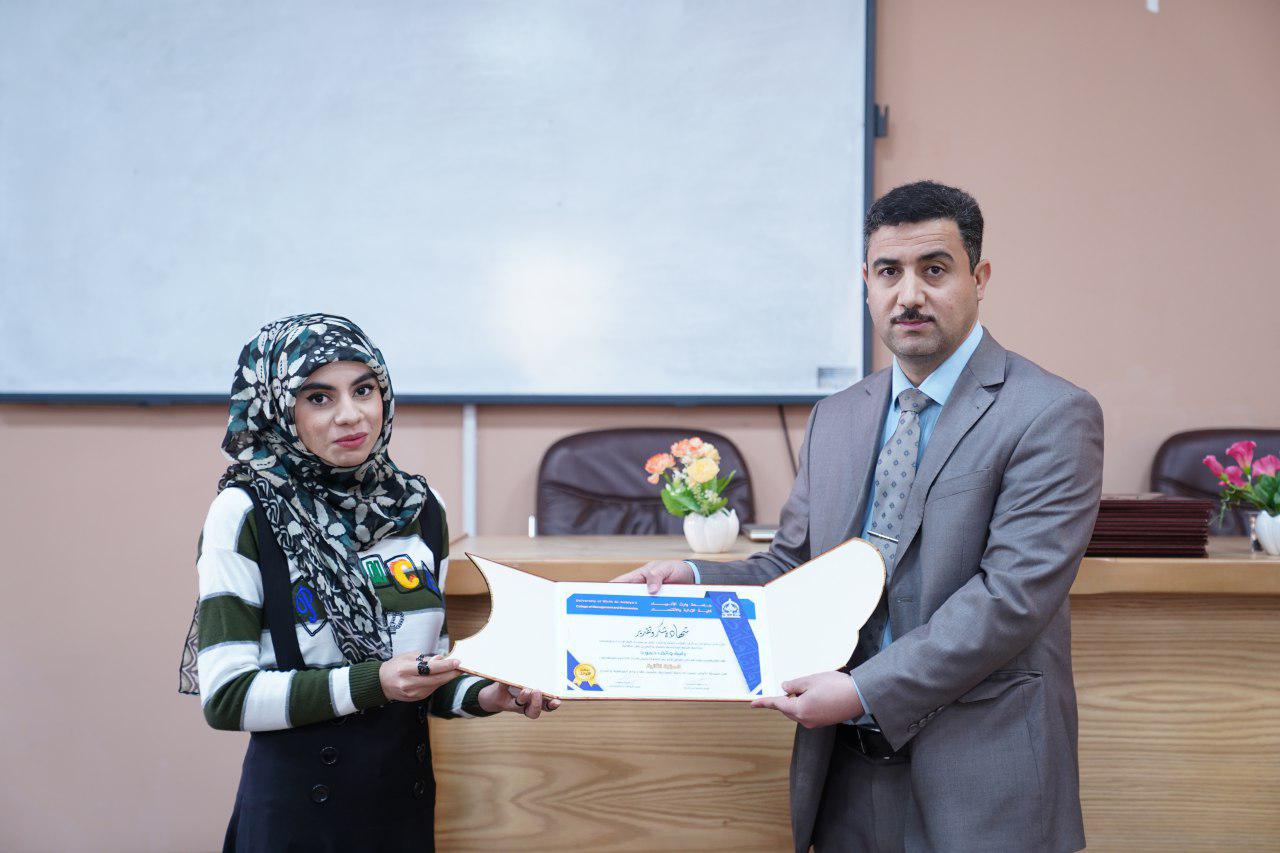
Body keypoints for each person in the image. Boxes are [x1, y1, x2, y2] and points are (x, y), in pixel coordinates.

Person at [615, 181, 1103, 852]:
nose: (909, 295)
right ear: (866, 285)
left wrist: (862, 689)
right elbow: (795, 564)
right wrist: (693, 579)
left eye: (935, 269)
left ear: (980, 278)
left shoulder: (1050, 413)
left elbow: (1010, 599)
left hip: (980, 769)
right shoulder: (838, 416)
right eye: (888, 272)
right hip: (844, 772)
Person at [177, 313, 556, 852]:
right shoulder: (245, 514)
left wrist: (489, 695)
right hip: (298, 816)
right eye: (318, 397)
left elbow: (425, 669)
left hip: (402, 805)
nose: (351, 415)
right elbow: (227, 696)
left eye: (364, 389)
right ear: (278, 409)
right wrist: (374, 682)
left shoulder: (419, 507)